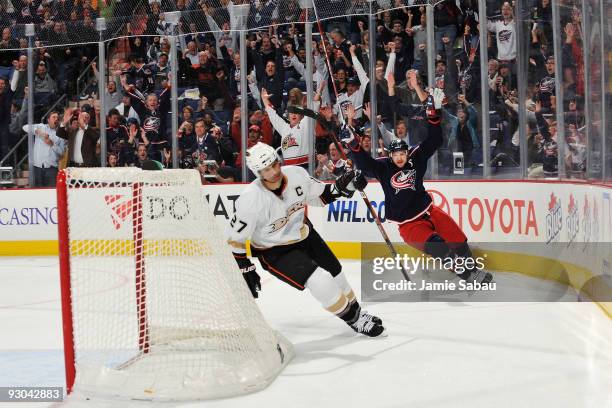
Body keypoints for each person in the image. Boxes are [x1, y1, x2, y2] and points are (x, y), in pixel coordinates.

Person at [227, 142, 385, 337]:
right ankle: (354, 319)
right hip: (275, 250)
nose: (274, 171)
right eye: (266, 169)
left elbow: (322, 197)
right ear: (258, 173)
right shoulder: (250, 199)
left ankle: (358, 313)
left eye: (275, 164)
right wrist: (244, 265)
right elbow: (236, 238)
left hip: (304, 234)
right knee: (320, 279)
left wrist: (346, 184)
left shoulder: (296, 174)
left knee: (336, 273)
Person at [345, 87, 493, 285]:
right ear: (390, 155)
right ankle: (467, 276)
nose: (399, 157)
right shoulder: (383, 167)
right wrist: (353, 145)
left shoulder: (416, 157)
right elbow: (364, 165)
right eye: (395, 154)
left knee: (457, 237)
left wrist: (435, 113)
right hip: (409, 225)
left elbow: (434, 140)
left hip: (429, 211)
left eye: (402, 154)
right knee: (439, 247)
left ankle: (473, 269)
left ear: (407, 153)